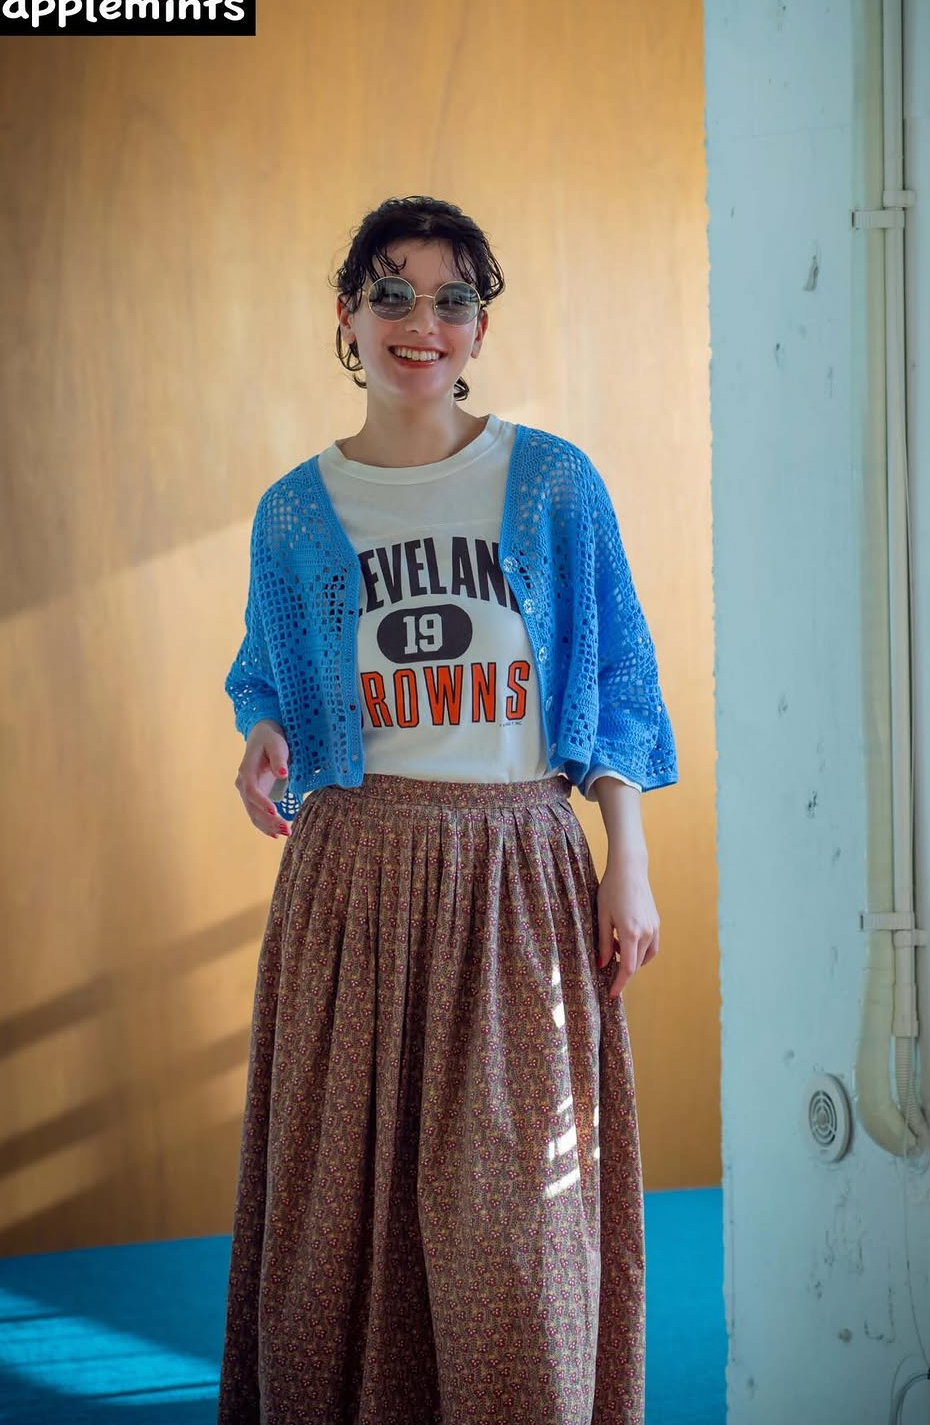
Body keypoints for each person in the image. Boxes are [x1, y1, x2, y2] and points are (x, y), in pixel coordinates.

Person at [217, 195, 677, 1425]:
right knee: (337, 1225)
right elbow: (269, 677)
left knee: (522, 1224)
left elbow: (618, 682)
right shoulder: (296, 511)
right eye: (392, 294)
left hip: (518, 874)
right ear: (346, 316)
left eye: (452, 299)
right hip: (353, 877)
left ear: (480, 326)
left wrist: (626, 859)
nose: (421, 322)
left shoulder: (553, 485)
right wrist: (263, 733)